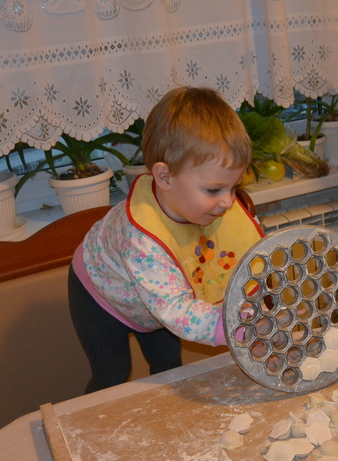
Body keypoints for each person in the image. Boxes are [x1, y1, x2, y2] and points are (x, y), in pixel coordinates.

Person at [68, 87, 264, 393]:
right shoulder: (141, 241)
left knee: (168, 365)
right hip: (100, 295)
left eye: (233, 187)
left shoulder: (211, 205)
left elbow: (252, 263)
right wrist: (237, 324)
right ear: (165, 178)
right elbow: (177, 311)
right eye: (214, 190)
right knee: (112, 374)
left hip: (156, 298)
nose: (228, 202)